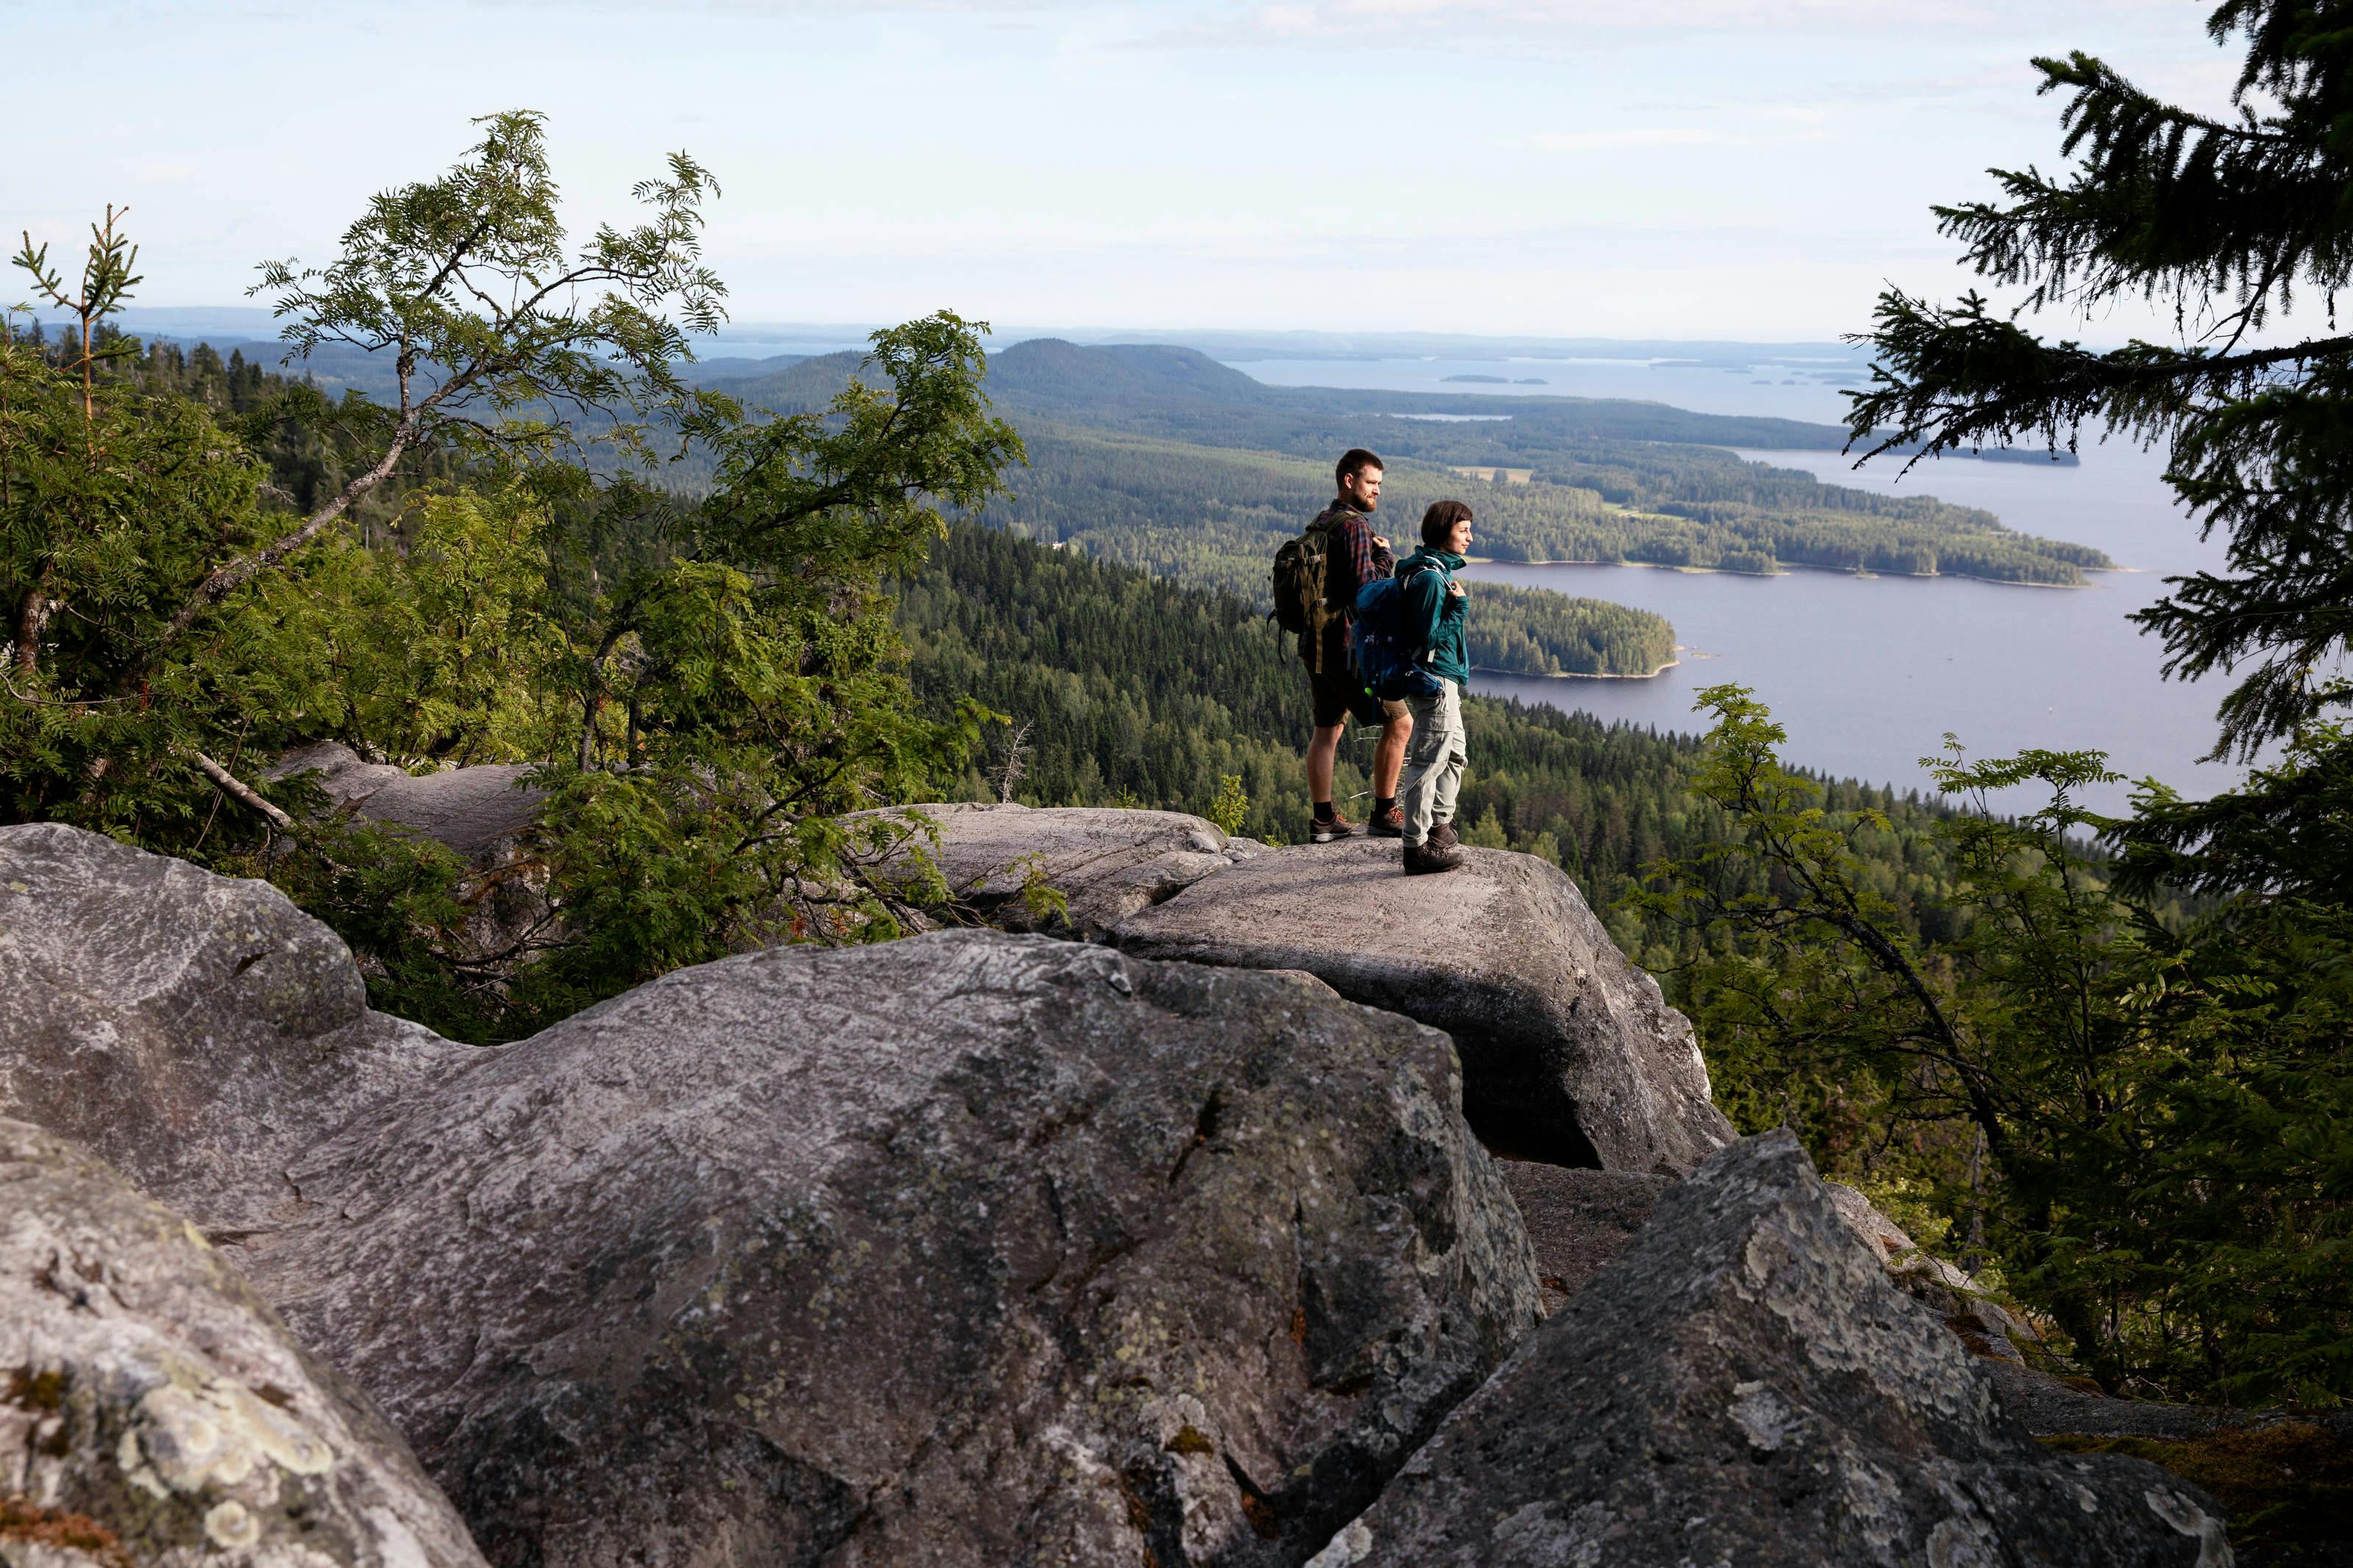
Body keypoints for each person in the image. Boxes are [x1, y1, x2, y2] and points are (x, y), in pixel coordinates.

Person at [1299, 449, 1412, 843]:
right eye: (1372, 483)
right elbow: (1367, 594)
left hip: (1316, 643)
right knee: (1400, 722)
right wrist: (1385, 557)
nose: (1377, 492)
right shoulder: (1354, 528)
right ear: (1350, 481)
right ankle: (1384, 813)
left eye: (1379, 485)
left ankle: (1324, 821)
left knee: (1327, 730)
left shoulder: (1323, 521)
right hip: (1347, 647)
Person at [1395, 500, 1474, 875]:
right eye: (1463, 530)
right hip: (1434, 680)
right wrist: (1459, 609)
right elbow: (1425, 640)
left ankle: (1439, 827)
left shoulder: (1438, 573)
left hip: (1447, 680)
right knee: (1428, 762)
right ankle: (1417, 847)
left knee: (1455, 753)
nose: (1470, 537)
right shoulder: (1429, 578)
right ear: (1444, 531)